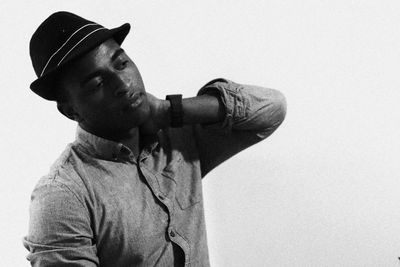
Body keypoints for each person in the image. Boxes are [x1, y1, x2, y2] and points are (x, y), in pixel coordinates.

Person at [23, 11, 287, 267]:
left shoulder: (178, 141)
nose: (123, 84)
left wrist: (168, 110)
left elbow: (271, 109)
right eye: (96, 84)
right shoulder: (64, 196)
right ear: (70, 110)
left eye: (121, 63)